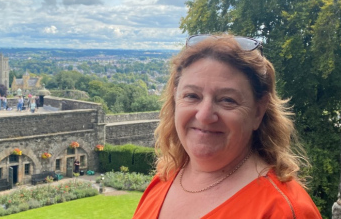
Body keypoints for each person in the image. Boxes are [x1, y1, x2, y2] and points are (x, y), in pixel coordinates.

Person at [133, 34, 321, 219]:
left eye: (227, 100)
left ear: (258, 111)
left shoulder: (282, 210)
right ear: (175, 99)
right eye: (192, 96)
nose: (205, 115)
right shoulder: (165, 178)